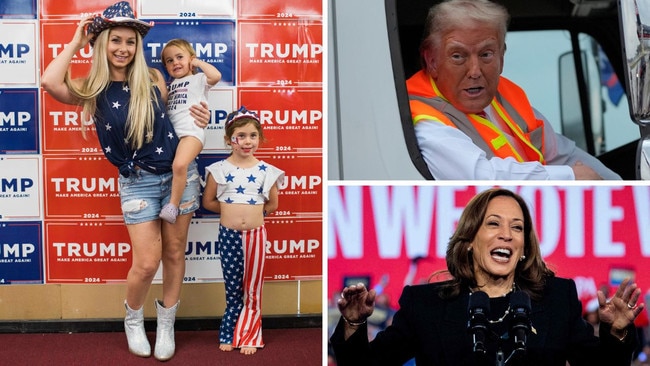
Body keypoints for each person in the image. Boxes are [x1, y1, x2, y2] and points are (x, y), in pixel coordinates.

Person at [40, 1, 211, 361]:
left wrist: (201, 113)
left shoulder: (152, 77)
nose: (123, 48)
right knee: (148, 262)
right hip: (138, 183)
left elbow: (174, 115)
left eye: (130, 42)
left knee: (175, 253)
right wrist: (76, 41)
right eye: (115, 40)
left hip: (179, 176)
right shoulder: (91, 89)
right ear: (102, 43)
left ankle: (166, 324)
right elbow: (49, 82)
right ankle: (133, 319)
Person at [331, 188, 643, 365]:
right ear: (468, 242)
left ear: (523, 247)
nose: (507, 235)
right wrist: (354, 323)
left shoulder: (557, 299)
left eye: (517, 228)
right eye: (493, 224)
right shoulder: (424, 305)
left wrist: (615, 333)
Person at [407, 0, 622, 180]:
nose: (475, 71)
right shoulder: (422, 119)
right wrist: (570, 177)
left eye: (486, 54)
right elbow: (483, 178)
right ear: (432, 61)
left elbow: (564, 154)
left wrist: (622, 190)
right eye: (458, 56)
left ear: (502, 56)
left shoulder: (506, 98)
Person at [202, 106, 285, 355]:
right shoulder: (218, 169)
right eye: (241, 136)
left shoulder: (267, 171)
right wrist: (230, 212)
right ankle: (229, 331)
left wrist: (253, 216)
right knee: (233, 286)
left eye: (252, 135)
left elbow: (272, 204)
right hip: (228, 236)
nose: (247, 141)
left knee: (253, 287)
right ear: (229, 139)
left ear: (260, 138)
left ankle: (250, 334)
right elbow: (208, 202)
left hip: (256, 236)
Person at [158, 38, 222, 223]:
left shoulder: (198, 79)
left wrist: (198, 63)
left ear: (191, 59)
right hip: (173, 136)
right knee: (173, 167)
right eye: (169, 61)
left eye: (180, 57)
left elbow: (215, 76)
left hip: (191, 133)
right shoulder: (170, 87)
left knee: (179, 165)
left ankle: (173, 206)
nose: (175, 63)